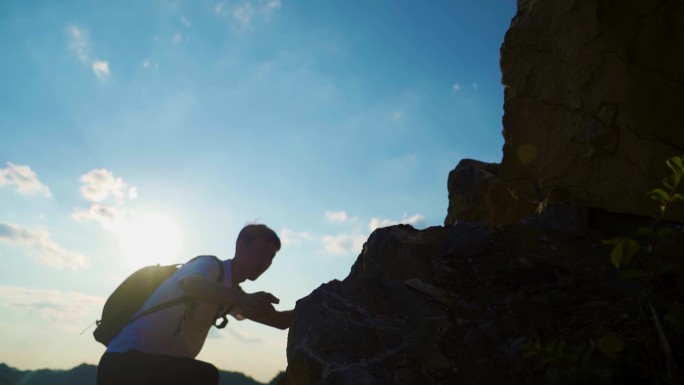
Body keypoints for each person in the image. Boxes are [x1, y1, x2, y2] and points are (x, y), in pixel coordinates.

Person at [96, 224, 293, 385]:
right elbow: (193, 284)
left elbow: (279, 321)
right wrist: (242, 299)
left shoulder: (230, 295)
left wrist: (319, 305)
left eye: (270, 257)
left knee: (200, 375)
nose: (265, 261)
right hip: (124, 363)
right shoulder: (208, 265)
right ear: (241, 247)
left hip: (151, 370)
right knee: (204, 375)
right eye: (260, 252)